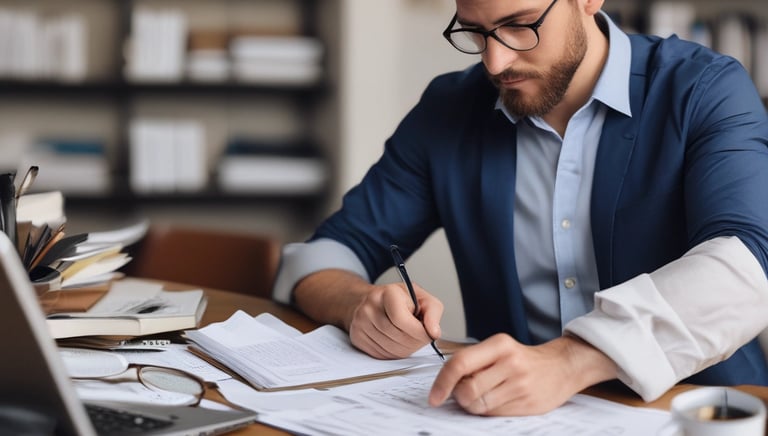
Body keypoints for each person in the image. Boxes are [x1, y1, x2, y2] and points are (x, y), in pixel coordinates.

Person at [272, 0, 768, 416]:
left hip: (698, 414)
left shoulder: (704, 90)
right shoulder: (448, 110)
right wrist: (358, 303)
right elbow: (324, 253)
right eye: (476, 31)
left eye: (520, 25)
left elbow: (748, 265)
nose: (494, 62)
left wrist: (572, 361)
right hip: (507, 419)